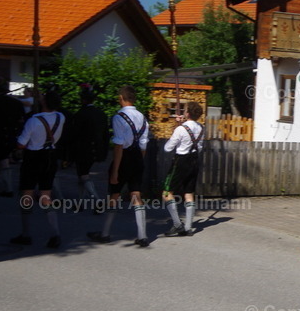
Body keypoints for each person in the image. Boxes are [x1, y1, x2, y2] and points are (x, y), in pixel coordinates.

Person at [87, 86, 149, 247]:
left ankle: (105, 233)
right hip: (138, 157)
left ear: (121, 97)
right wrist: (138, 163)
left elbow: (119, 146)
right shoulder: (143, 117)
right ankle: (142, 235)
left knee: (114, 195)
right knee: (136, 195)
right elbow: (143, 145)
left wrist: (115, 170)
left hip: (124, 157)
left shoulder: (118, 117)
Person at [10, 89, 64, 248]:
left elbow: (21, 143)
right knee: (46, 195)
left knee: (26, 194)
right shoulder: (61, 117)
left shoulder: (34, 120)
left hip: (33, 157)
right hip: (51, 156)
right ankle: (55, 233)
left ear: (44, 103)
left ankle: (26, 233)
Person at [161, 101, 204, 237]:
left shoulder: (181, 129)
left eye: (185, 110)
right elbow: (199, 146)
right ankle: (188, 227)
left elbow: (167, 148)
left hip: (181, 161)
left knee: (166, 193)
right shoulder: (202, 128)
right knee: (189, 193)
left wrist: (178, 127)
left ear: (188, 113)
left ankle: (177, 224)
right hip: (195, 161)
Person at [63, 84, 108, 211]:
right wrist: (103, 151)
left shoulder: (80, 114)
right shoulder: (101, 114)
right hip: (97, 149)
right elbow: (105, 135)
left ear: (83, 100)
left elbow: (74, 134)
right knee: (82, 175)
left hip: (83, 150)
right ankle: (81, 202)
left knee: (83, 175)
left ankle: (97, 199)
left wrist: (69, 153)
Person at [0, 79, 25, 197]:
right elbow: (21, 120)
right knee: (0, 159)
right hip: (11, 135)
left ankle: (8, 188)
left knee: (3, 160)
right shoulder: (17, 103)